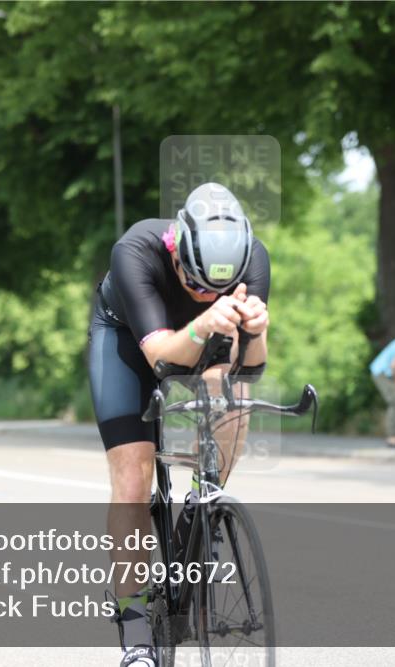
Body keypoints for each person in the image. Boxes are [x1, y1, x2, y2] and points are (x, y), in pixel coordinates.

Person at [88, 182, 270, 667]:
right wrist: (206, 320)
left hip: (199, 338)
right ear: (176, 250)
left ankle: (203, 501)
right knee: (132, 480)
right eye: (195, 283)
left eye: (216, 287)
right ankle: (135, 633)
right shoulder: (135, 251)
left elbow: (246, 368)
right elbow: (163, 362)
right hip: (129, 342)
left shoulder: (254, 259)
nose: (204, 293)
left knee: (231, 393)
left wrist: (257, 332)